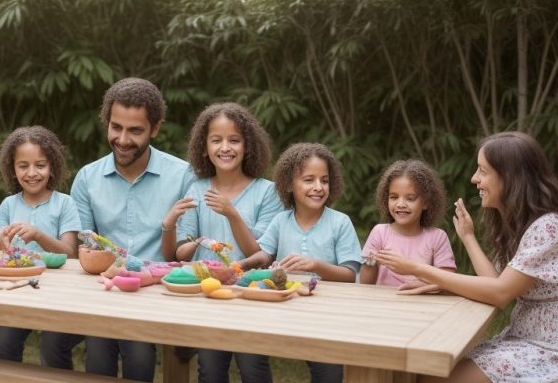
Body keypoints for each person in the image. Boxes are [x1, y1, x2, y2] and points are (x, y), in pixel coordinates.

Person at [375, 132, 558, 382]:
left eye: (483, 171)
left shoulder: (549, 228)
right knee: (425, 370)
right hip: (532, 336)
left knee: (432, 378)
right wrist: (467, 237)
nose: (474, 178)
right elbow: (495, 281)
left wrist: (418, 269)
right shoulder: (520, 223)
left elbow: (500, 294)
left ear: (510, 177)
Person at [70, 77, 194, 381]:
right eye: (116, 127)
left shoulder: (182, 176)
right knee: (97, 347)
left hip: (160, 290)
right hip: (104, 287)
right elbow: (83, 247)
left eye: (135, 131)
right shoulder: (87, 178)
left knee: (138, 352)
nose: (123, 139)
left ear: (155, 128)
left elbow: (185, 252)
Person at [162, 103, 282, 383]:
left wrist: (231, 213)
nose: (225, 147)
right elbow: (180, 253)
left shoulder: (267, 192)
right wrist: (192, 240)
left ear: (247, 145)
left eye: (234, 140)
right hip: (209, 295)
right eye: (216, 140)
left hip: (251, 295)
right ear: (204, 147)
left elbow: (260, 254)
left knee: (253, 368)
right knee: (210, 370)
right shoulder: (197, 190)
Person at [234, 142, 360, 383]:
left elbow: (350, 274)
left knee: (328, 371)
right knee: (248, 352)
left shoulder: (340, 222)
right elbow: (264, 254)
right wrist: (240, 265)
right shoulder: (281, 221)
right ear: (289, 184)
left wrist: (315, 265)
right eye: (309, 180)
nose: (318, 187)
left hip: (326, 315)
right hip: (284, 308)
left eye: (324, 180)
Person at [0, 126, 83, 369]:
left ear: (52, 167)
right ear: (13, 169)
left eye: (40, 165)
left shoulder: (65, 204)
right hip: (16, 291)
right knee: (3, 344)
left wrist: (39, 235)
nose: (32, 173)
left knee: (53, 348)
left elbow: (70, 253)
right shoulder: (8, 205)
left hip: (59, 295)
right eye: (23, 166)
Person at [360, 159, 455, 290]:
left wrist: (421, 284)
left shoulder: (437, 237)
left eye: (410, 198)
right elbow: (365, 285)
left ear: (426, 203)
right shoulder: (380, 233)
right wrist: (370, 263)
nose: (400, 204)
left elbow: (449, 280)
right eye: (394, 197)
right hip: (384, 301)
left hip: (424, 301)